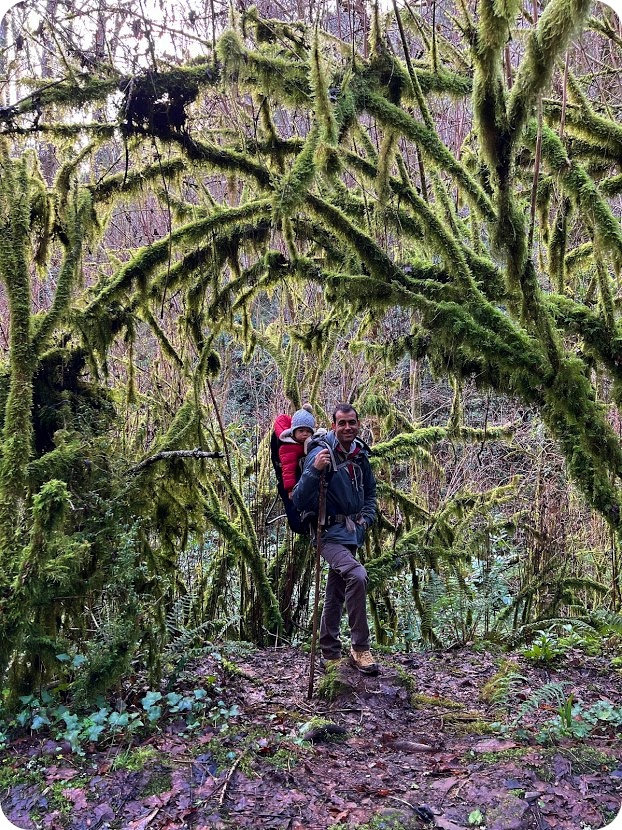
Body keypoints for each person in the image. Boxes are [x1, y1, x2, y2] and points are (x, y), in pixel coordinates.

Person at [292, 403, 378, 676]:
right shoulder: (320, 453)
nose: (348, 427)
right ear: (333, 426)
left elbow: (371, 493)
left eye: (352, 422)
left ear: (358, 423)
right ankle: (360, 648)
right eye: (342, 423)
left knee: (336, 590)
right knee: (357, 575)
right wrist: (314, 470)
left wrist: (366, 519)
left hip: (352, 532)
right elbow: (298, 498)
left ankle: (329, 652)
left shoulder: (360, 454)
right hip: (326, 533)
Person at [274, 405, 316, 497]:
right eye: (301, 431)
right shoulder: (288, 447)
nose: (305, 434)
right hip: (295, 485)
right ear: (293, 432)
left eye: (308, 431)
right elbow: (288, 470)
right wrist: (290, 489)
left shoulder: (310, 443)